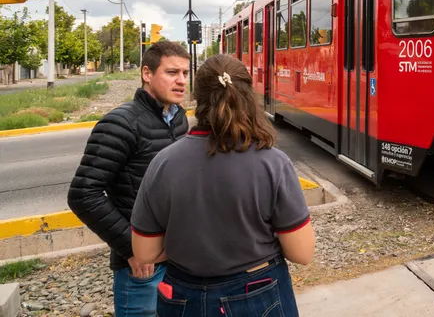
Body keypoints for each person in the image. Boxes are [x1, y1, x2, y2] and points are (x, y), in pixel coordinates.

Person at [130, 54, 314, 317]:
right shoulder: (273, 163)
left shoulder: (163, 162)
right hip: (258, 291)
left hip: (182, 296)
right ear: (248, 95)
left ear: (198, 98)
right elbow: (302, 253)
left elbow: (144, 253)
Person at [68, 41, 191, 317]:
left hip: (179, 261)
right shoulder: (120, 123)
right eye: (172, 73)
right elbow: (83, 194)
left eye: (185, 73)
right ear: (147, 74)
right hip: (142, 269)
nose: (182, 81)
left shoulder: (178, 119)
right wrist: (132, 249)